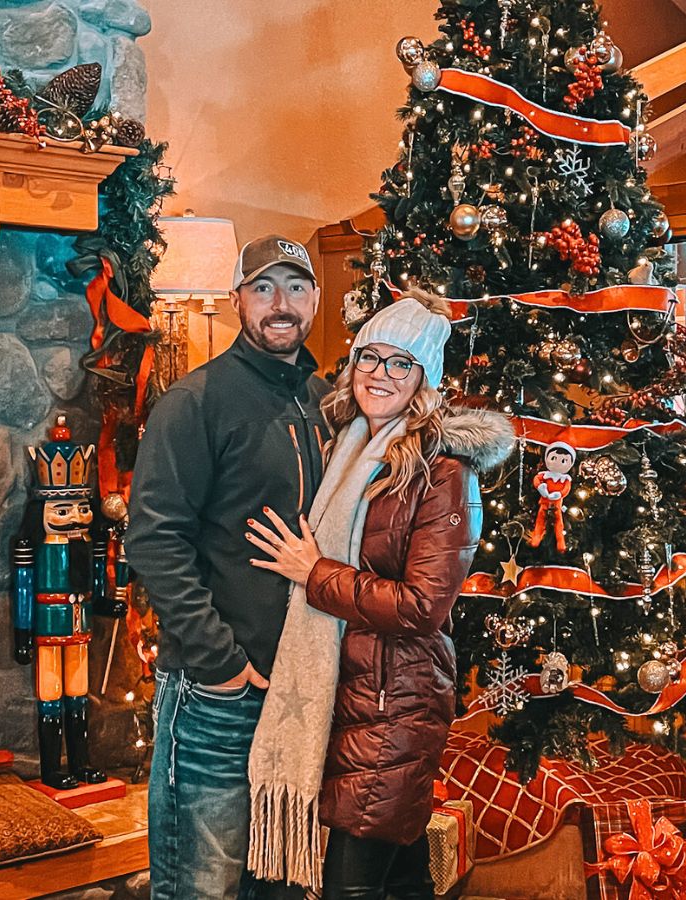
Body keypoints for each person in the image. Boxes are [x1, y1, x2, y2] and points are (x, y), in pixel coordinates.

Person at [244, 291, 514, 899]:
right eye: (370, 358)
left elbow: (423, 606)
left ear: (424, 380)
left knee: (351, 883)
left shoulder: (443, 471)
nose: (380, 375)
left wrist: (315, 574)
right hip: (352, 693)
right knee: (399, 873)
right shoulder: (345, 447)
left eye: (400, 363)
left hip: (396, 702)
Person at [126, 235, 330, 900]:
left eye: (296, 288)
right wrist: (220, 663)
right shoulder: (196, 401)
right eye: (264, 288)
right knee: (202, 885)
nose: (281, 304)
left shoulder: (327, 399)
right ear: (237, 299)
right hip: (221, 693)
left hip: (301, 693)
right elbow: (155, 539)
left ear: (315, 300)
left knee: (279, 883)